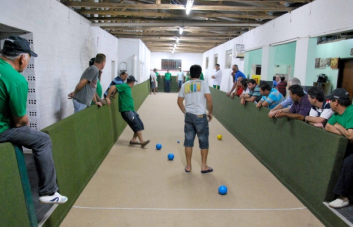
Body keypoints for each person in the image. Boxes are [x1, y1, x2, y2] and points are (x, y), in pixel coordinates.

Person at [0, 36, 68, 204]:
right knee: (42, 140)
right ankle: (49, 192)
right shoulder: (16, 80)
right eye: (29, 57)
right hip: (2, 130)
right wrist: (25, 120)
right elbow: (18, 121)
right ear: (23, 57)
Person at [177, 65, 213, 173]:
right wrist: (210, 112)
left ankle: (188, 166)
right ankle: (203, 166)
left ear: (189, 74)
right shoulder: (203, 84)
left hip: (189, 116)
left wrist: (185, 111)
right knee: (204, 142)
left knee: (188, 141)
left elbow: (179, 102)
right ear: (200, 73)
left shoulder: (185, 85)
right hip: (200, 116)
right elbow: (209, 99)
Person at [324, 89, 353, 208]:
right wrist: (343, 130)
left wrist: (339, 127)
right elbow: (327, 126)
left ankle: (344, 197)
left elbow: (351, 136)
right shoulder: (336, 114)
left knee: (348, 163)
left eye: (331, 100)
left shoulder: (351, 111)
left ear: (336, 102)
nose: (329, 102)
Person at [106, 76, 150, 148]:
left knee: (140, 124)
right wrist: (107, 97)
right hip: (126, 110)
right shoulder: (124, 86)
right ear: (132, 83)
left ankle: (133, 140)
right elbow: (113, 87)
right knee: (136, 125)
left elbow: (117, 88)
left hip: (131, 110)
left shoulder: (125, 87)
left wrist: (113, 95)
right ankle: (142, 142)